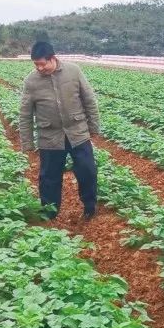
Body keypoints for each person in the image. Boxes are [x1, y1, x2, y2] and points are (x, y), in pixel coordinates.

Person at [18, 41, 101, 220]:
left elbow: (89, 100)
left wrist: (93, 127)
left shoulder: (74, 71)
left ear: (53, 58)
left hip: (77, 132)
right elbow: (25, 115)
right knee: (49, 177)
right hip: (50, 137)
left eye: (42, 63)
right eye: (36, 64)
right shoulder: (31, 81)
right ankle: (49, 214)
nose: (39, 68)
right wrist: (27, 144)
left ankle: (90, 206)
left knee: (87, 170)